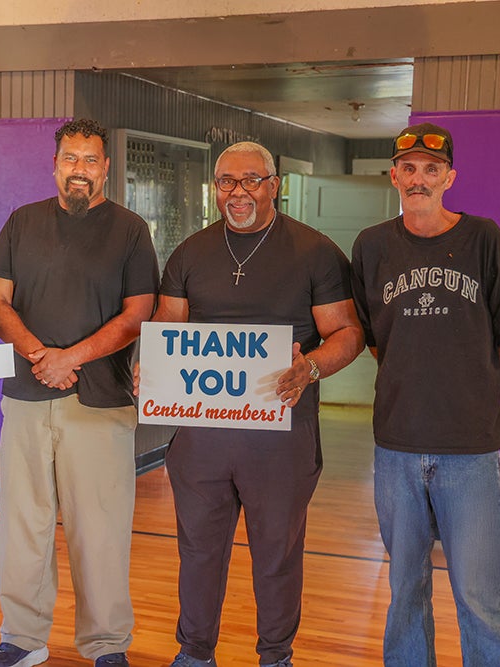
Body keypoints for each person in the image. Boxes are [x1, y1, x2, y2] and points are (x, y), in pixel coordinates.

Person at [144, 141, 365, 667]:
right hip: (201, 436)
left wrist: (309, 367)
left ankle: (275, 656)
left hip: (281, 434)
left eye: (250, 181)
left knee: (277, 555)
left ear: (274, 186)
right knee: (198, 552)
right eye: (226, 182)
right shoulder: (190, 253)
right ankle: (194, 653)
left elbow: (349, 332)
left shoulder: (314, 251)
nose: (237, 192)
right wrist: (150, 366)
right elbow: (166, 328)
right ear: (215, 187)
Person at [350, 122, 500, 666]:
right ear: (393, 176)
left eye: (431, 170)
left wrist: (477, 396)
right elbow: (372, 337)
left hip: (469, 454)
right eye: (408, 169)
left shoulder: (484, 240)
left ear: (449, 177)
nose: (419, 179)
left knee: (479, 599)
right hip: (397, 448)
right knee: (405, 591)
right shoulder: (372, 246)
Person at [0, 118, 159, 667]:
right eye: (69, 159)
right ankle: (23, 638)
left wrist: (70, 359)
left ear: (106, 168)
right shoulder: (21, 222)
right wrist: (40, 357)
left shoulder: (130, 231)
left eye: (90, 160)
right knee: (22, 525)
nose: (79, 169)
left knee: (100, 531)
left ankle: (106, 645)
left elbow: (138, 316)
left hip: (100, 404)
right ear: (55, 164)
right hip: (27, 400)